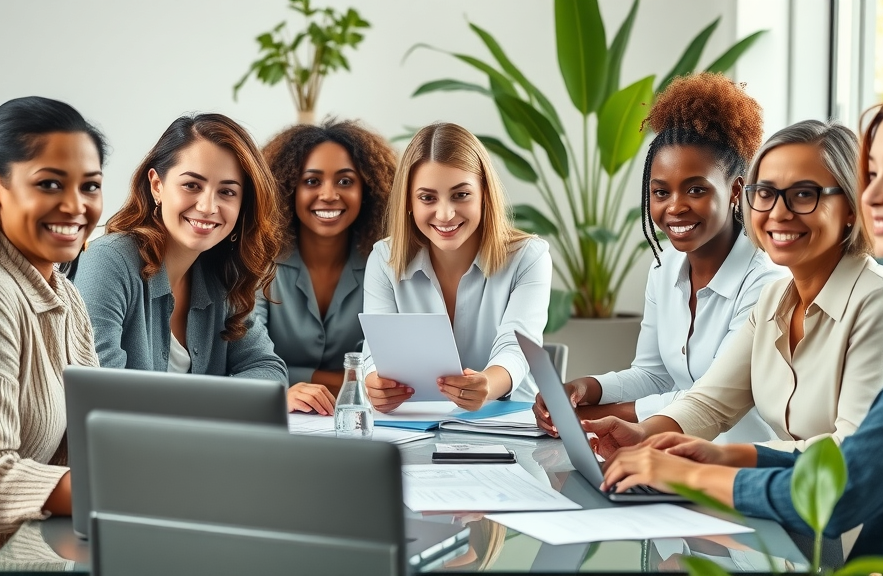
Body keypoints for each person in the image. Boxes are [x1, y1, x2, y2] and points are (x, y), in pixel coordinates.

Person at [588, 85, 883, 575]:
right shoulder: (780, 297)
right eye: (871, 174)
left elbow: (851, 478)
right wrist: (679, 445)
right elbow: (711, 401)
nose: (874, 192)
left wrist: (698, 470)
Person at [584, 119, 883, 453]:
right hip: (785, 498)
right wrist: (641, 433)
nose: (778, 212)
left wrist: (725, 461)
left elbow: (853, 450)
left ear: (852, 206)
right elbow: (710, 403)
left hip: (855, 508)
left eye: (804, 194)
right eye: (765, 193)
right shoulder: (775, 300)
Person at [532, 73, 785, 443]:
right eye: (660, 192)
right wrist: (585, 389)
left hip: (736, 465)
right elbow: (653, 376)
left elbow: (708, 399)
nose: (675, 207)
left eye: (696, 189)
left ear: (734, 190)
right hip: (670, 454)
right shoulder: (664, 267)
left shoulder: (765, 283)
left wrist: (589, 416)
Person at [0, 96, 106, 574]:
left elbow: (83, 437)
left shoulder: (60, 290)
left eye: (91, 186)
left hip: (39, 545)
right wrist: (120, 490)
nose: (76, 206)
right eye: (50, 184)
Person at [74, 114, 288, 383]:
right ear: (157, 186)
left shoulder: (221, 275)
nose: (208, 207)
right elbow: (102, 387)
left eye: (227, 192)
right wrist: (212, 407)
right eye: (191, 185)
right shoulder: (108, 260)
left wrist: (198, 411)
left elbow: (269, 369)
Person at [362, 122, 551, 411]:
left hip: (508, 419)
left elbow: (517, 349)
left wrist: (486, 385)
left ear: (484, 193)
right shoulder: (384, 259)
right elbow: (376, 351)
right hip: (416, 422)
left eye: (461, 195)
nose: (445, 214)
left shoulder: (528, 257)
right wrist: (374, 381)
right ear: (409, 202)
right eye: (427, 198)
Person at [257, 119, 396, 415]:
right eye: (312, 181)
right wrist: (342, 381)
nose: (330, 194)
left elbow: (389, 370)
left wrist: (297, 375)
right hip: (282, 419)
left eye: (345, 181)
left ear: (367, 190)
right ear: (287, 188)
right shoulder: (258, 261)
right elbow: (246, 361)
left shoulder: (385, 262)